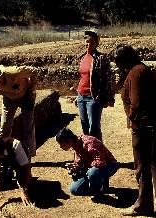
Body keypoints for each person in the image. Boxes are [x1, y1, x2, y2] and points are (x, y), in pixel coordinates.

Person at [112, 44, 156, 216]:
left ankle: (143, 205)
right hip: (151, 124)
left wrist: (132, 121)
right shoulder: (143, 69)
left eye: (118, 63)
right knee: (152, 164)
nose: (118, 67)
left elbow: (136, 103)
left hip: (142, 127)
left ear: (124, 60)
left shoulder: (136, 73)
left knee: (142, 167)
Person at [0, 64, 38, 160]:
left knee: (28, 126)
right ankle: (0, 153)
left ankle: (28, 156)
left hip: (26, 96)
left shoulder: (14, 72)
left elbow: (34, 71)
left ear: (2, 75)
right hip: (8, 99)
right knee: (4, 126)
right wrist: (4, 93)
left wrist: (32, 90)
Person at [75, 29, 115, 141]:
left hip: (93, 97)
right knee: (85, 127)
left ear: (96, 44)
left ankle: (99, 154)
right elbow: (82, 77)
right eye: (87, 42)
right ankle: (89, 153)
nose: (89, 45)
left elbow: (108, 79)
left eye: (92, 42)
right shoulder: (82, 58)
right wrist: (77, 95)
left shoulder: (101, 58)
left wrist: (107, 98)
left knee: (94, 128)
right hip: (81, 97)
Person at [56, 128, 118, 196]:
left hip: (109, 165)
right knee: (74, 189)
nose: (60, 147)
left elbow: (100, 163)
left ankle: (98, 191)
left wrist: (82, 166)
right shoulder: (75, 144)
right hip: (92, 168)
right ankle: (99, 184)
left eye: (62, 144)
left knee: (92, 172)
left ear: (70, 140)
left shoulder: (89, 143)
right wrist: (74, 167)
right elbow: (79, 160)